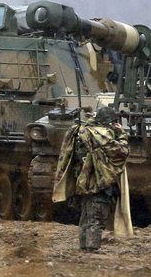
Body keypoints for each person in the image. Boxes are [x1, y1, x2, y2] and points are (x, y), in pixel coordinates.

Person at [52, 106, 130, 251]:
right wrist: (121, 133)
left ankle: (83, 245)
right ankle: (92, 248)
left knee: (86, 215)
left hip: (81, 180)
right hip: (98, 182)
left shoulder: (79, 132)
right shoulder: (103, 136)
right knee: (97, 216)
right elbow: (123, 151)